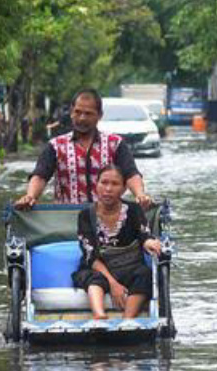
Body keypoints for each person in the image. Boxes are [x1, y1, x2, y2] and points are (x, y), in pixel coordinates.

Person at [14, 88, 152, 210]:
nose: (82, 118)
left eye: (88, 113)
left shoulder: (115, 144)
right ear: (71, 112)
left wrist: (140, 195)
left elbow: (131, 174)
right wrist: (30, 196)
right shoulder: (56, 146)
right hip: (66, 221)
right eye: (78, 112)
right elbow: (40, 175)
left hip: (107, 220)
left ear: (99, 115)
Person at [73, 165, 162, 319]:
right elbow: (90, 255)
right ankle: (99, 316)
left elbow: (144, 234)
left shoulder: (134, 210)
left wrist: (149, 242)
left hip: (130, 268)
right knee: (93, 278)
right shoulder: (85, 215)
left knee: (144, 274)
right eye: (104, 183)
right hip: (99, 269)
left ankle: (127, 319)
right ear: (97, 185)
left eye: (114, 184)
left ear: (123, 189)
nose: (108, 189)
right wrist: (113, 284)